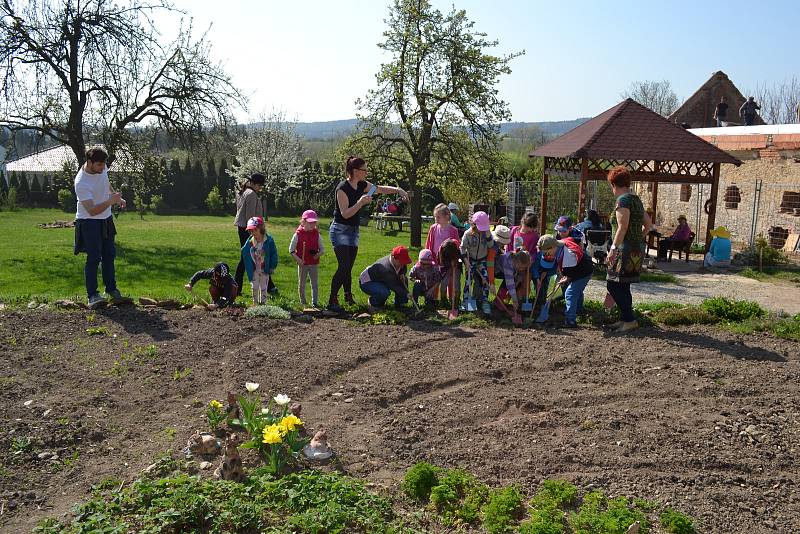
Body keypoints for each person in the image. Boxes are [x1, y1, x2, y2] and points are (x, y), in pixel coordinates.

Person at [328, 156, 408, 312]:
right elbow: (345, 214)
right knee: (343, 267)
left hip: (353, 231)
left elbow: (379, 189)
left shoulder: (362, 185)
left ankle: (347, 295)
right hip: (340, 230)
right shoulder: (342, 188)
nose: (366, 172)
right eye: (364, 170)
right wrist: (360, 203)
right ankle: (332, 299)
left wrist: (398, 190)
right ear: (356, 171)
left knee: (348, 267)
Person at [73, 146, 127, 309]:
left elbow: (105, 183)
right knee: (94, 258)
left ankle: (111, 289)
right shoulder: (81, 182)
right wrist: (110, 202)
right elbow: (93, 210)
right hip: (89, 222)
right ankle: (93, 295)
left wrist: (117, 197)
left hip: (106, 219)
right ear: (89, 162)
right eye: (99, 165)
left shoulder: (101, 167)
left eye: (104, 165)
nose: (103, 168)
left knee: (109, 254)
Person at [605, 166, 653, 333]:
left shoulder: (623, 201)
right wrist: (638, 238)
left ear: (613, 184)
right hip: (635, 249)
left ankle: (630, 319)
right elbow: (648, 224)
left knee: (612, 284)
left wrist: (613, 248)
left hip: (623, 250)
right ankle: (626, 319)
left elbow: (622, 227)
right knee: (624, 286)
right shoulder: (636, 200)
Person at [234, 173, 276, 296]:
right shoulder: (251, 194)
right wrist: (254, 233)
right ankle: (237, 286)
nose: (260, 188)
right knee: (251, 256)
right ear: (255, 184)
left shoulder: (244, 192)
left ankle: (238, 287)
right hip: (250, 229)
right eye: (260, 186)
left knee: (252, 255)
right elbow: (250, 216)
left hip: (244, 228)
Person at [539, 236, 593, 328]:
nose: (547, 255)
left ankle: (570, 320)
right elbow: (571, 239)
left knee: (570, 293)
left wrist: (568, 277)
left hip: (584, 271)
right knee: (577, 292)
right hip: (579, 267)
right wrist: (567, 276)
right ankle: (579, 311)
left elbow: (572, 269)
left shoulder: (569, 256)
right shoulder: (560, 243)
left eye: (547, 252)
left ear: (553, 247)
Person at [459, 211, 495, 314]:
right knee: (468, 280)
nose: (481, 230)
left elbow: (491, 245)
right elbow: (462, 248)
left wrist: (488, 234)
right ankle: (466, 300)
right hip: (470, 261)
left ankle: (484, 301)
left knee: (485, 279)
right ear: (474, 224)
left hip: (482, 260)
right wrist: (466, 261)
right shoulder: (467, 234)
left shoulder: (486, 233)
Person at [359, 245, 412, 312]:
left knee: (404, 280)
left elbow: (404, 267)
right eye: (401, 262)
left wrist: (402, 274)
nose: (402, 264)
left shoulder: (400, 263)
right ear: (393, 258)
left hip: (381, 279)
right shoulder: (385, 268)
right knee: (384, 292)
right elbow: (394, 286)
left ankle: (400, 304)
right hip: (367, 282)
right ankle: (373, 303)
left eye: (404, 262)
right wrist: (406, 294)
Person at [289, 210, 324, 308]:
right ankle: (303, 302)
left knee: (314, 284)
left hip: (313, 263)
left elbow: (322, 249)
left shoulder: (317, 234)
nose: (312, 225)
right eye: (310, 222)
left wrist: (318, 255)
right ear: (303, 222)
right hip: (302, 264)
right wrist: (299, 260)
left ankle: (315, 302)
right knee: (302, 283)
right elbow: (291, 250)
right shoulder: (298, 234)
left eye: (314, 222)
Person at [241, 216, 278, 305]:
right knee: (255, 286)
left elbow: (274, 254)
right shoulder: (251, 241)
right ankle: (255, 303)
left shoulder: (269, 241)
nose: (253, 233)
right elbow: (244, 251)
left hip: (264, 268)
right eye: (251, 231)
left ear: (261, 229)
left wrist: (272, 266)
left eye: (255, 230)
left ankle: (263, 303)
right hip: (254, 269)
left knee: (264, 287)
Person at [493, 248, 531, 326]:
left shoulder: (519, 261)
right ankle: (498, 300)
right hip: (495, 270)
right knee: (511, 282)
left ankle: (507, 300)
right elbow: (510, 283)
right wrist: (514, 299)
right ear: (516, 261)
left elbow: (519, 276)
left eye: (523, 268)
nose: (521, 269)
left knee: (518, 280)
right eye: (520, 267)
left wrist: (516, 299)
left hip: (508, 271)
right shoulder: (508, 263)